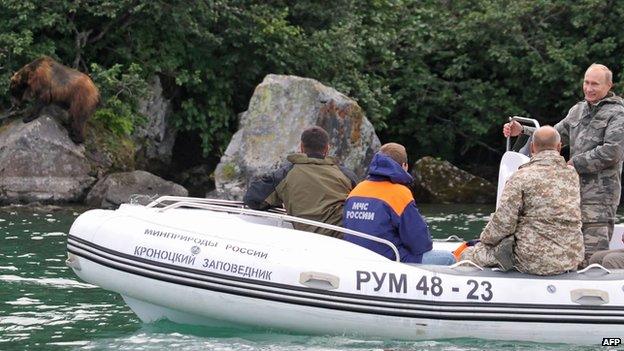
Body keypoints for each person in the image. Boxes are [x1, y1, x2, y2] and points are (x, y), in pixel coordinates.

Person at [504, 64, 624, 264]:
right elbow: (551, 136)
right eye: (586, 82)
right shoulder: (577, 110)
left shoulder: (618, 114)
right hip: (571, 195)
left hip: (600, 196)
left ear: (608, 86)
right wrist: (522, 130)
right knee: (575, 252)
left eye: (595, 84)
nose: (589, 88)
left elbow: (613, 151)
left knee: (593, 258)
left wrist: (574, 163)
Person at [461, 126, 584, 275]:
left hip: (532, 261)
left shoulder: (520, 177)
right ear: (559, 147)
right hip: (570, 259)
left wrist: (484, 241)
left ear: (532, 148)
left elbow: (503, 223)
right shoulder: (572, 175)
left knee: (468, 254)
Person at [342, 143, 456, 265]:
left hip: (357, 258)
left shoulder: (356, 190)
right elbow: (421, 244)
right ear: (404, 166)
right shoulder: (399, 193)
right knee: (449, 258)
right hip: (390, 260)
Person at [243, 126, 357, 238]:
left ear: (301, 147)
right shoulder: (346, 175)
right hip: (345, 240)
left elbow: (252, 199)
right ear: (327, 149)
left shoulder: (285, 174)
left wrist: (283, 199)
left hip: (306, 239)